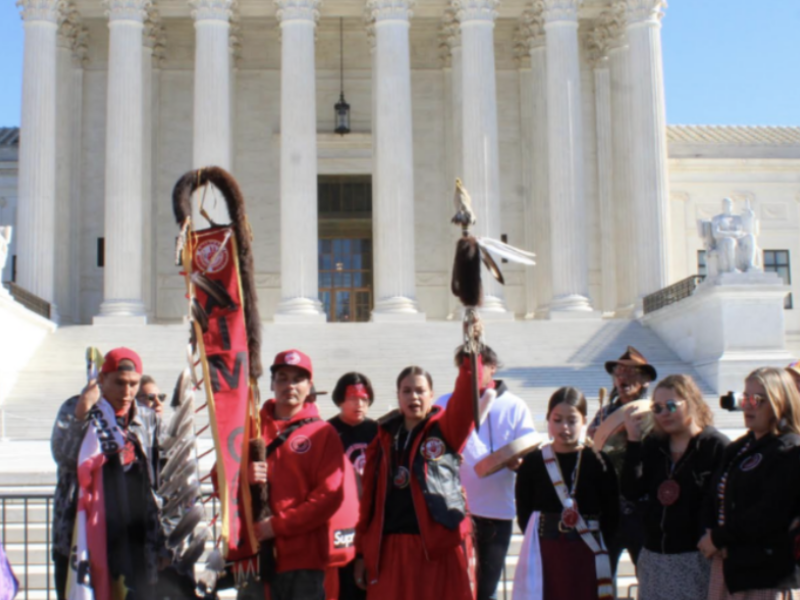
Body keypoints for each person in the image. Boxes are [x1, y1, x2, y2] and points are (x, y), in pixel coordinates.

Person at [353, 360, 478, 600]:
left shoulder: (445, 431)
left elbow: (465, 404)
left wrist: (470, 361)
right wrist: (361, 552)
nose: (414, 397)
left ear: (432, 395)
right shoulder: (381, 439)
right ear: (398, 396)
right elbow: (368, 501)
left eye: (420, 391)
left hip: (434, 547)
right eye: (407, 391)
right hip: (389, 549)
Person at [51, 347, 166, 600]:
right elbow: (63, 455)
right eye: (119, 383)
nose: (127, 393)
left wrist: (163, 543)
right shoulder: (76, 408)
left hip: (136, 539)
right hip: (82, 536)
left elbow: (161, 477)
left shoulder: (146, 419)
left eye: (134, 384)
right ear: (101, 380)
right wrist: (82, 412)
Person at [436, 345, 537, 600]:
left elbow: (527, 452)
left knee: (486, 590)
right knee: (452, 585)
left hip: (495, 511)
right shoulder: (443, 404)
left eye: (477, 366)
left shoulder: (514, 405)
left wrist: (518, 462)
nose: (470, 372)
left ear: (493, 367)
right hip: (451, 510)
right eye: (464, 367)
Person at [247, 349, 345, 600]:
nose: (289, 385)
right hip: (253, 556)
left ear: (309, 385)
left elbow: (328, 497)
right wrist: (242, 476)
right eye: (282, 377)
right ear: (271, 383)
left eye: (297, 379)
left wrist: (277, 526)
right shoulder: (250, 427)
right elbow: (220, 478)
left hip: (303, 560)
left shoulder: (323, 433)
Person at [621, 374, 729, 600]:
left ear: (691, 401)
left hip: (695, 558)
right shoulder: (653, 444)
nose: (663, 414)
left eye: (671, 405)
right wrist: (633, 440)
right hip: (653, 557)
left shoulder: (715, 446)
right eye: (657, 408)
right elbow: (631, 490)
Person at [699, 367, 800, 600]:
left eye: (757, 400)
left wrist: (718, 537)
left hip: (767, 573)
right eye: (745, 398)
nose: (747, 405)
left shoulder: (790, 449)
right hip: (729, 567)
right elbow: (714, 496)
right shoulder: (738, 448)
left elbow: (770, 513)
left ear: (780, 402)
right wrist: (709, 533)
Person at [514, 387, 619, 600]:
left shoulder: (598, 461)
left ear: (584, 421)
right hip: (546, 551)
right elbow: (524, 512)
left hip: (587, 551)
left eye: (572, 420)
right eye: (557, 420)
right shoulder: (533, 462)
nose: (565, 427)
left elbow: (611, 513)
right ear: (548, 421)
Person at [587, 345, 657, 571]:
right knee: (603, 578)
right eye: (619, 373)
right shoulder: (604, 414)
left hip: (643, 511)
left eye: (631, 373)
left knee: (647, 577)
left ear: (646, 379)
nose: (623, 378)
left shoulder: (654, 414)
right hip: (610, 509)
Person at [327, 373, 379, 600]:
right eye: (353, 398)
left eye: (364, 399)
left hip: (372, 518)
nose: (359, 404)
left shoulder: (379, 432)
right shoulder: (326, 432)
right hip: (339, 522)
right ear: (340, 400)